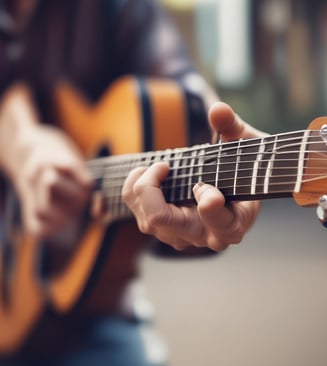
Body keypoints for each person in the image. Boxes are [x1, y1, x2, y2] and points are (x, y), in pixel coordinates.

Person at [0, 0, 262, 365]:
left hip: (90, 313)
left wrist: (220, 151)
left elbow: (185, 104)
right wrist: (20, 145)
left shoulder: (119, 8)